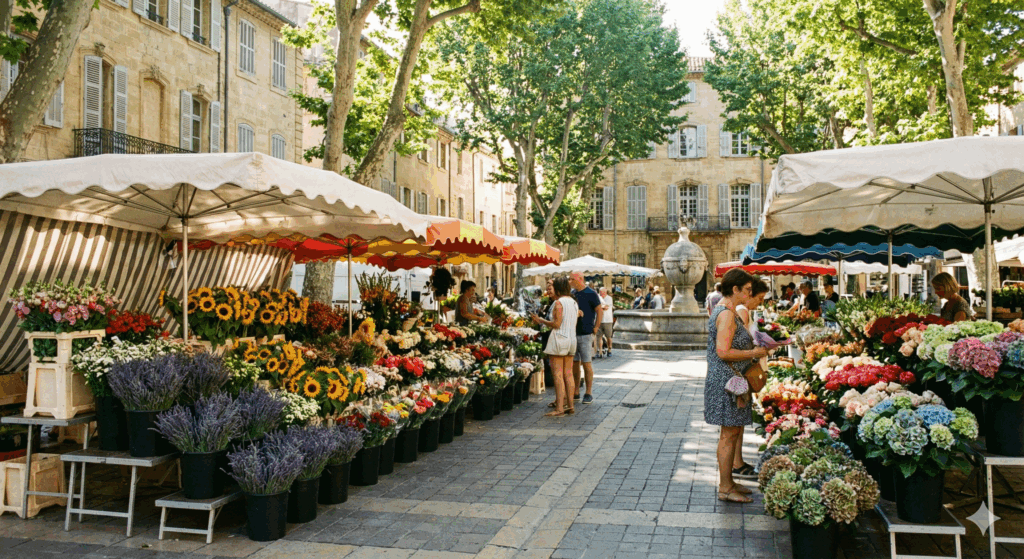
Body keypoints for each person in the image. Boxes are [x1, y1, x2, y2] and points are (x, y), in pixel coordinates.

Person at [705, 268, 769, 503]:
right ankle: (724, 487)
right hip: (726, 383)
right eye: (748, 291)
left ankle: (729, 482)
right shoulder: (727, 315)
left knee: (732, 432)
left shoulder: (726, 311)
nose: (750, 295)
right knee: (728, 434)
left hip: (730, 381)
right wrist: (754, 352)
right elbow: (723, 352)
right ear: (735, 290)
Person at [531, 276, 578, 417]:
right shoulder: (574, 302)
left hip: (559, 339)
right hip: (571, 339)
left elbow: (556, 324)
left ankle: (559, 408)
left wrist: (540, 320)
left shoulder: (559, 303)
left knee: (557, 375)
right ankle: (570, 405)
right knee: (568, 374)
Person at [570, 272, 602, 405]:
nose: (570, 281)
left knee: (586, 363)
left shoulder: (591, 293)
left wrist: (596, 328)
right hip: (573, 333)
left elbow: (599, 310)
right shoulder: (572, 294)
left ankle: (588, 392)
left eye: (572, 279)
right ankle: (576, 391)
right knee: (575, 364)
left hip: (586, 333)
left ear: (579, 279)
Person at [596, 287, 614, 358]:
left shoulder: (609, 298)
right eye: (600, 292)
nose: (601, 293)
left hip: (608, 320)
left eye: (602, 292)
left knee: (608, 337)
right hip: (599, 320)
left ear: (605, 292)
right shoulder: (598, 297)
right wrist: (601, 307)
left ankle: (609, 350)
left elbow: (606, 307)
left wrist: (599, 307)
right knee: (598, 336)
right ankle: (599, 351)